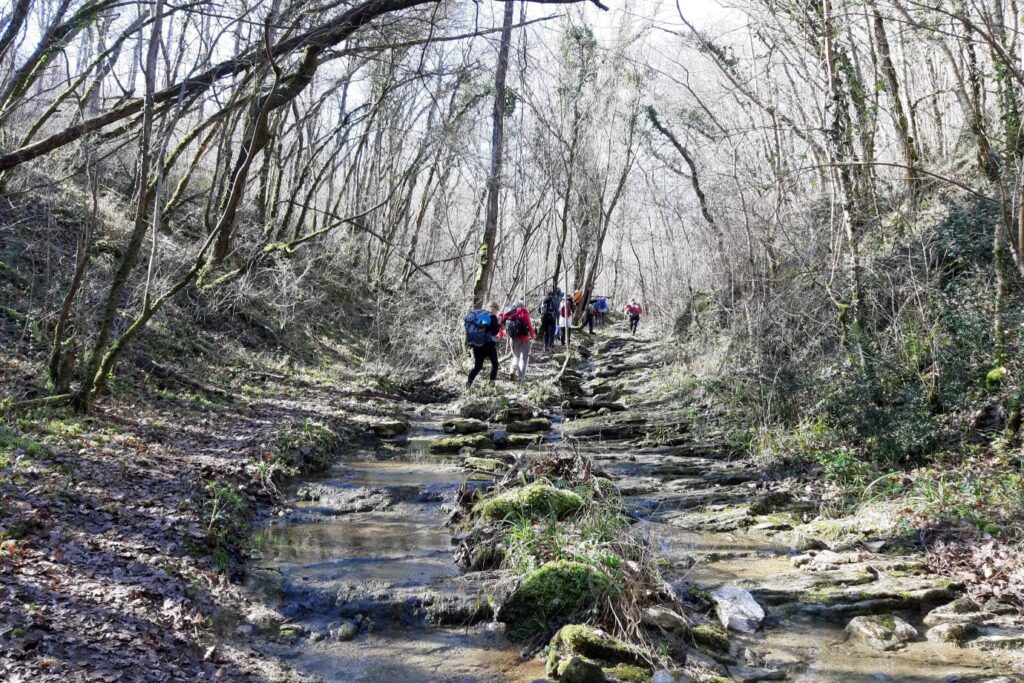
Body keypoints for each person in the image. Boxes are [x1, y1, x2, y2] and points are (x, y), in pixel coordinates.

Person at [465, 302, 501, 387]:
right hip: (488, 345)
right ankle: (491, 384)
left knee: (477, 366)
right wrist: (498, 324)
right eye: (497, 308)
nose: (497, 311)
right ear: (494, 308)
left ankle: (468, 384)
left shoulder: (481, 316)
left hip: (477, 344)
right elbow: (494, 332)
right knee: (495, 364)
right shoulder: (492, 317)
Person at [499, 300, 535, 380]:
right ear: (522, 305)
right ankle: (521, 377)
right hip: (524, 338)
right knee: (524, 358)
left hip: (513, 337)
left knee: (516, 356)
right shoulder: (523, 311)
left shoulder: (508, 312)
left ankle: (512, 370)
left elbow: (500, 323)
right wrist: (532, 335)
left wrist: (501, 334)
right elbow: (529, 324)